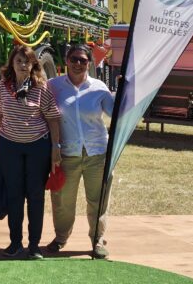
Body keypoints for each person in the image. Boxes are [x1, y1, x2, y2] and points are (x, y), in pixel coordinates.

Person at [0, 44, 62, 260]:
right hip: (9, 147)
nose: (23, 65)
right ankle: (15, 243)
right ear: (12, 64)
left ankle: (34, 245)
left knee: (35, 195)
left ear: (33, 65)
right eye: (19, 61)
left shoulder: (41, 87)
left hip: (37, 148)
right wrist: (0, 142)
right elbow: (0, 115)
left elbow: (53, 119)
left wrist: (56, 147)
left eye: (27, 62)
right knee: (14, 195)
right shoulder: (2, 87)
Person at [46, 44, 114, 259]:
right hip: (67, 154)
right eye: (74, 59)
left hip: (97, 153)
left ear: (89, 63)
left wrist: (125, 91)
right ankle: (61, 237)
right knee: (63, 201)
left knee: (98, 200)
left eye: (83, 60)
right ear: (66, 60)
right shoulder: (53, 86)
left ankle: (97, 239)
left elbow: (115, 112)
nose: (78, 64)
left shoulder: (99, 87)